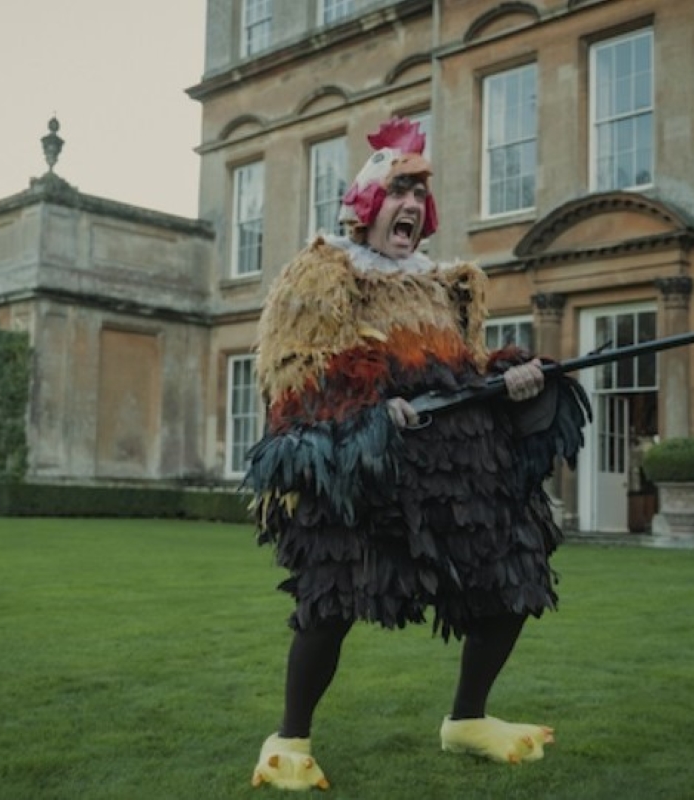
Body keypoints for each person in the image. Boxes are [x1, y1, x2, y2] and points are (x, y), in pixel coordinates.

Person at [244, 117, 589, 791]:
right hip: (370, 470)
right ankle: (287, 741)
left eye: (418, 195)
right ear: (368, 204)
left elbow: (463, 369)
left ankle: (467, 719)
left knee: (512, 574)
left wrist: (514, 378)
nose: (410, 205)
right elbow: (295, 370)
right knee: (334, 596)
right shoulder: (325, 273)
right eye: (398, 189)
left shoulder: (447, 283)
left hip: (457, 472)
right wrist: (367, 403)